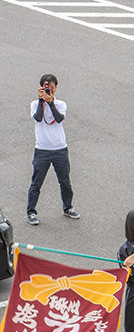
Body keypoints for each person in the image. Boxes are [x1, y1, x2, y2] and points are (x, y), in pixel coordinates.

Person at [27, 73, 79, 226]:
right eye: (45, 86)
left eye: (51, 87)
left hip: (60, 149)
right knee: (36, 183)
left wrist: (50, 103)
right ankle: (31, 212)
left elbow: (59, 118)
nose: (49, 89)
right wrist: (41, 101)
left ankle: (68, 207)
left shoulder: (61, 104)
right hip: (42, 150)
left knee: (65, 182)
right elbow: (37, 118)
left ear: (56, 88)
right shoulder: (34, 104)